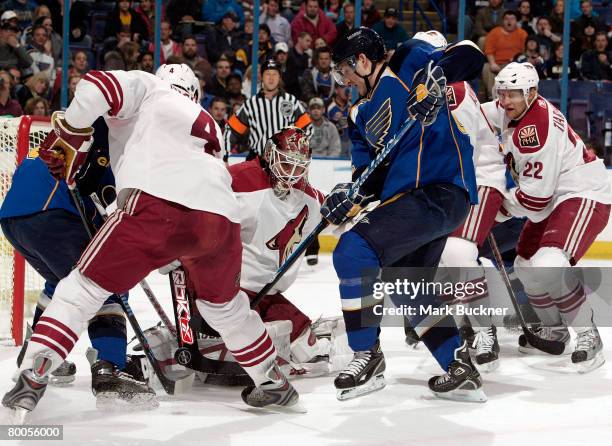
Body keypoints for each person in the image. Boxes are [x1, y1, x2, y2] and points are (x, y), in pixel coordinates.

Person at [2, 63, 300, 419]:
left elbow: (95, 84)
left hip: (157, 204)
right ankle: (272, 381)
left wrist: (70, 134)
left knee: (82, 287)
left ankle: (34, 374)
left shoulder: (148, 89)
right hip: (220, 220)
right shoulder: (209, 123)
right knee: (225, 307)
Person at [324, 27, 485, 402]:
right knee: (404, 283)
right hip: (413, 203)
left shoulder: (408, 58)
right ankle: (458, 363)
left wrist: (436, 78)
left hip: (440, 188)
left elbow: (470, 54)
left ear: (363, 61)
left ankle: (367, 354)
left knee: (352, 251)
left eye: (344, 69)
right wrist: (349, 195)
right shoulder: (358, 114)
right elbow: (368, 178)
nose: (343, 79)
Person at [0, 116, 157, 407]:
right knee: (105, 285)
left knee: (59, 283)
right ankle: (110, 367)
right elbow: (109, 206)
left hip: (11, 219)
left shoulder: (63, 140)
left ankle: (36, 354)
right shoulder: (106, 150)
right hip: (51, 215)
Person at [483, 62, 611, 372]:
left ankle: (588, 335)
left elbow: (534, 199)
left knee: (548, 264)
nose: (505, 101)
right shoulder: (516, 108)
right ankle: (553, 330)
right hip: (553, 197)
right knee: (526, 267)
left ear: (532, 93)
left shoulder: (536, 128)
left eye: (513, 94)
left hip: (582, 193)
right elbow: (476, 112)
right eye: (502, 93)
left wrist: (492, 211)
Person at [224, 59, 312, 160]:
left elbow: (307, 128)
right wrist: (224, 155)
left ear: (280, 77)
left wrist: (294, 149)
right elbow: (231, 131)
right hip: (257, 161)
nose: (271, 78)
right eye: (267, 74)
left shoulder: (291, 101)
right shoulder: (251, 104)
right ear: (261, 77)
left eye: (275, 74)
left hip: (284, 162)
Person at [482, 11, 528, 100]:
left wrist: (516, 60)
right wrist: (492, 63)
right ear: (502, 21)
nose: (509, 21)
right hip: (497, 64)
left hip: (513, 64)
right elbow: (489, 50)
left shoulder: (522, 34)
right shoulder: (494, 32)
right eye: (506, 19)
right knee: (486, 67)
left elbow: (525, 52)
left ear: (516, 21)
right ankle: (492, 97)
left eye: (512, 19)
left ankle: (508, 97)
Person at [327, 83, 351, 158]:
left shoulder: (352, 106)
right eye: (343, 87)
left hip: (350, 143)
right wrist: (334, 120)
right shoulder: (330, 107)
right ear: (336, 90)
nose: (347, 90)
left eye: (348, 87)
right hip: (336, 144)